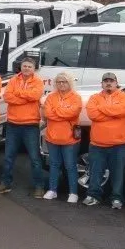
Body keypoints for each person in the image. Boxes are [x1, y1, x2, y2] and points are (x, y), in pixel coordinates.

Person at [84, 73, 125, 209]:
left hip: (119, 144)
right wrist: (113, 115)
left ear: (116, 83)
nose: (108, 83)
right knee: (95, 172)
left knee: (118, 174)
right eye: (106, 81)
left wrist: (102, 110)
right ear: (102, 84)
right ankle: (93, 196)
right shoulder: (94, 98)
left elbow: (123, 110)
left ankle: (116, 198)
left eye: (111, 81)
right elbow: (92, 114)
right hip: (97, 144)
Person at [0, 56, 37, 195]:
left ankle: (39, 186)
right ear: (21, 67)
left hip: (31, 125)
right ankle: (6, 183)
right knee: (8, 157)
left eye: (29, 67)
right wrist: (25, 98)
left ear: (34, 69)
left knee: (34, 158)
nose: (26, 68)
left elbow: (35, 96)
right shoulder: (13, 80)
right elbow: (7, 97)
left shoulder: (38, 81)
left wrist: (18, 95)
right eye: (24, 66)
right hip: (13, 124)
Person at [41, 73, 83, 202]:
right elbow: (47, 113)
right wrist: (62, 113)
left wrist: (56, 111)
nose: (61, 84)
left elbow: (73, 112)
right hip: (52, 137)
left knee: (70, 165)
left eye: (64, 82)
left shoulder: (76, 97)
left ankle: (73, 193)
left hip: (69, 138)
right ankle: (52, 190)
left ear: (69, 82)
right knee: (54, 164)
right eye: (59, 82)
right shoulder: (50, 97)